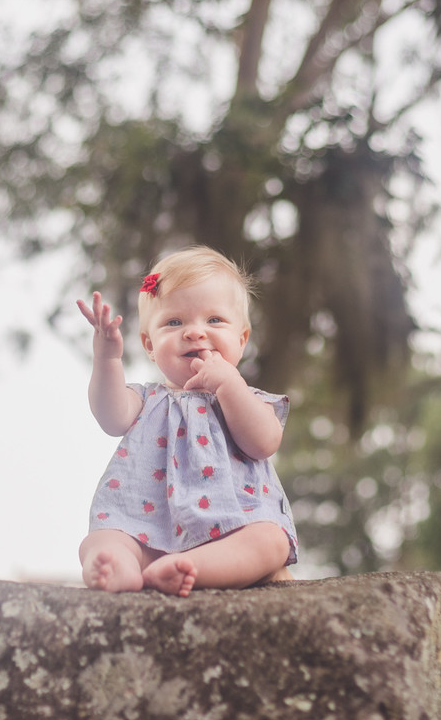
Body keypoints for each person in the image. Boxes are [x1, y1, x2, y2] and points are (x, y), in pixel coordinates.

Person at [75, 246, 299, 597]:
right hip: (149, 529)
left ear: (241, 340)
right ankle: (118, 566)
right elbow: (110, 416)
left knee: (272, 541)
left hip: (233, 529)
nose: (195, 332)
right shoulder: (146, 399)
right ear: (150, 345)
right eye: (174, 322)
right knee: (102, 538)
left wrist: (228, 385)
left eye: (214, 320)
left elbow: (263, 442)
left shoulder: (246, 398)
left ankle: (195, 567)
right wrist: (107, 359)